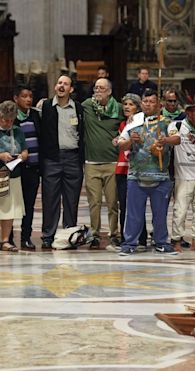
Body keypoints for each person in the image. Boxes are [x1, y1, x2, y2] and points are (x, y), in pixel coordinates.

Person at [117, 89, 180, 256]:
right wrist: (131, 140)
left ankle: (161, 242)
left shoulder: (167, 122)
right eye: (145, 101)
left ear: (158, 105)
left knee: (160, 214)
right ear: (141, 104)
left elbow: (177, 139)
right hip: (136, 175)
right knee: (134, 214)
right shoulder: (134, 123)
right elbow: (121, 144)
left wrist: (165, 140)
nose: (148, 104)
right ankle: (129, 243)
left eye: (152, 102)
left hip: (160, 175)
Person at [40, 75, 85, 249]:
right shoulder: (45, 106)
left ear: (71, 89)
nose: (61, 86)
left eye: (65, 84)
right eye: (59, 83)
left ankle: (68, 234)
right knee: (50, 198)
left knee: (71, 199)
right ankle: (48, 235)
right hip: (52, 158)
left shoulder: (78, 108)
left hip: (73, 158)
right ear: (55, 87)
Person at [82, 78, 124, 249]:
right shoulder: (87, 106)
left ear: (109, 91)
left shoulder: (119, 108)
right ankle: (94, 234)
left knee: (113, 203)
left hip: (112, 162)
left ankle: (114, 234)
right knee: (94, 202)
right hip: (91, 163)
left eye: (102, 88)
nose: (98, 90)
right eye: (96, 87)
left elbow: (128, 124)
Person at [170, 91, 195, 252]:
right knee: (180, 211)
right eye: (191, 111)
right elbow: (171, 138)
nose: (194, 114)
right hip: (182, 175)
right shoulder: (176, 126)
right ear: (186, 112)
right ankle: (177, 240)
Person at [9, 85, 41, 250]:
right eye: (24, 96)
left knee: (29, 205)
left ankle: (26, 237)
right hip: (15, 168)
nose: (28, 99)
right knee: (12, 204)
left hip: (33, 168)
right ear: (16, 98)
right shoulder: (10, 117)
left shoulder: (35, 115)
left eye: (30, 96)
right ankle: (7, 238)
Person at [115, 93, 147, 249]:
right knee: (124, 206)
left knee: (137, 205)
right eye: (125, 104)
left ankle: (141, 239)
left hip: (138, 168)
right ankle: (125, 239)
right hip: (122, 169)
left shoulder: (143, 124)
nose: (127, 107)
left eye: (131, 104)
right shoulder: (122, 125)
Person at [0, 101, 28, 252]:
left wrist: (21, 157)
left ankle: (5, 240)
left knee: (9, 209)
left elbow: (24, 150)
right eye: (5, 120)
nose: (8, 123)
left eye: (11, 120)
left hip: (13, 175)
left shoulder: (17, 131)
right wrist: (1, 155)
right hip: (0, 174)